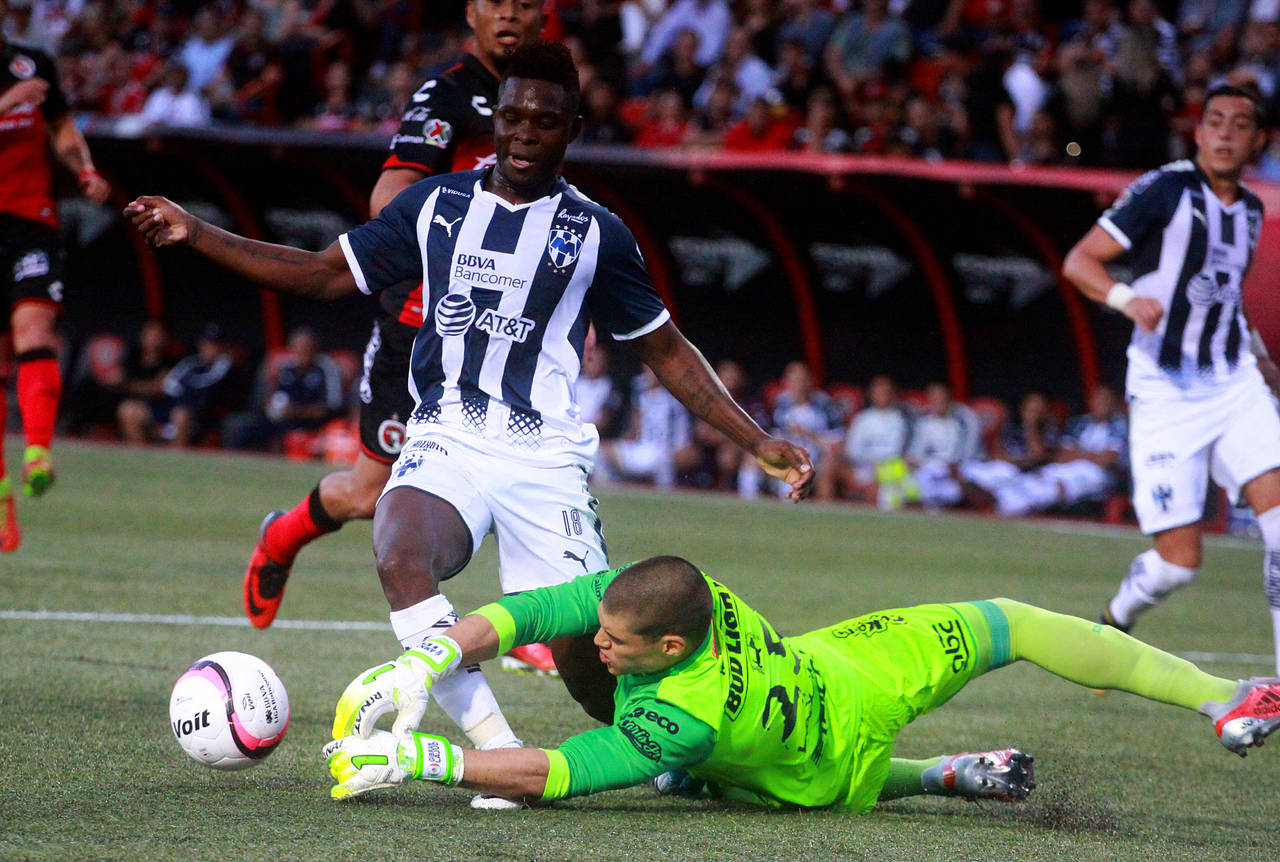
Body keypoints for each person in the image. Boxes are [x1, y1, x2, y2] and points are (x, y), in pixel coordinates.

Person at [125, 37, 813, 806]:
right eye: (512, 116)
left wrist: (757, 439)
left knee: (592, 662)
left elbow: (666, 349)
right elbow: (321, 273)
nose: (524, 133)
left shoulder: (596, 234)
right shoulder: (435, 206)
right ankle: (499, 753)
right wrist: (197, 231)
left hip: (545, 458)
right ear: (496, 119)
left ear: (572, 129)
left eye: (544, 121)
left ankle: (686, 756)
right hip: (447, 434)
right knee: (399, 552)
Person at [321, 554, 1280, 808]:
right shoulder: (683, 594)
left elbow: (555, 775)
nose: (597, 646)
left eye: (616, 644)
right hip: (849, 664)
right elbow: (529, 614)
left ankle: (930, 777)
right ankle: (1223, 695)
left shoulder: (682, 718)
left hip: (818, 766)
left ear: (669, 645)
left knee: (698, 780)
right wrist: (430, 655)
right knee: (1015, 624)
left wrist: (423, 759)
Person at [238, 0, 548, 671]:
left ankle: (527, 622)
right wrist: (468, 236)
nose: (510, 15)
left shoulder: (545, 99)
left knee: (522, 464)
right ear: (471, 12)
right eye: (496, 2)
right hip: (420, 330)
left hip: (502, 332)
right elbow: (390, 197)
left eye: (525, 3)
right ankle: (281, 537)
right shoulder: (448, 95)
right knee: (367, 495)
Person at [1062, 85, 1280, 673]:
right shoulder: (1166, 189)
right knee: (1179, 563)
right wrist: (1126, 298)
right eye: (1215, 121)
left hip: (1232, 382)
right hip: (1165, 390)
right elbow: (1080, 260)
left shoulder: (1251, 211)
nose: (1226, 133)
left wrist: (1261, 358)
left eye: (1240, 124)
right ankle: (1117, 616)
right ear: (1198, 132)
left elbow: (1225, 299)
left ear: (1259, 141)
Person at [0, 0, 110, 552]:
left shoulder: (32, 63)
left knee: (35, 329)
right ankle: (2, 502)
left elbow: (62, 125)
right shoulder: (19, 86)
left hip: (30, 222)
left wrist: (83, 168)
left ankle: (38, 452)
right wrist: (7, 104)